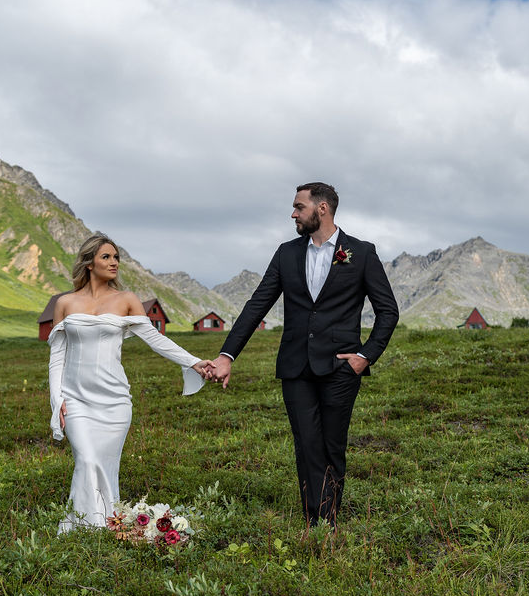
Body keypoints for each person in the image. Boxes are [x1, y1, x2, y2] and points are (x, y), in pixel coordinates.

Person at [207, 182, 399, 528]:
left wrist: (365, 356)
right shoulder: (286, 253)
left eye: (299, 207)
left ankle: (328, 515)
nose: (293, 214)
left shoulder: (362, 252)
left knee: (332, 444)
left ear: (321, 209)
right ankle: (318, 521)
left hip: (341, 368)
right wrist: (227, 355)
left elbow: (388, 311)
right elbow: (256, 306)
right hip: (295, 367)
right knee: (306, 442)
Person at [48, 233, 211, 533]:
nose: (114, 263)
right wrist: (57, 400)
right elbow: (57, 358)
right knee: (86, 459)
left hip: (114, 402)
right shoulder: (65, 303)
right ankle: (85, 528)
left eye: (117, 257)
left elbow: (156, 340)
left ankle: (104, 526)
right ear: (89, 262)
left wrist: (194, 362)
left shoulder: (126, 300)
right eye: (106, 257)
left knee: (105, 466)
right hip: (77, 399)